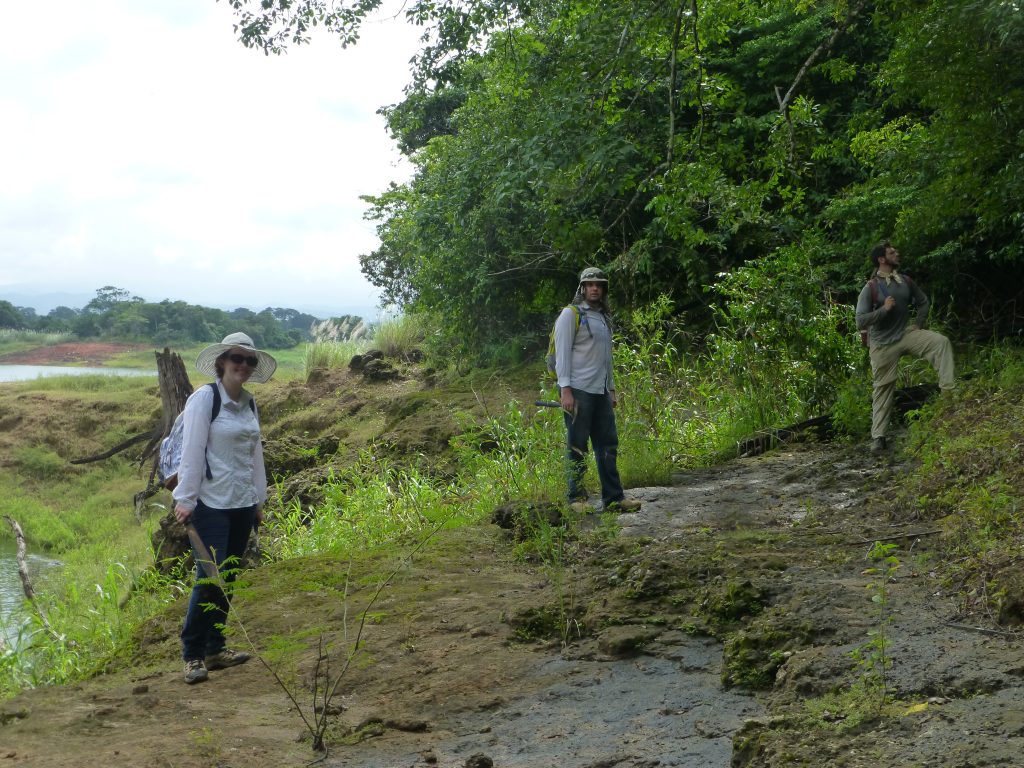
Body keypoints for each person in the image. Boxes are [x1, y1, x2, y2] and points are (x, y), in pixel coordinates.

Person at [173, 331, 276, 684]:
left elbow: (255, 455)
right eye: (237, 358)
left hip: (242, 503)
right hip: (211, 503)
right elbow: (192, 451)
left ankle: (216, 648)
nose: (243, 366)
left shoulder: (249, 403)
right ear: (222, 362)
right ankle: (192, 654)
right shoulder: (204, 399)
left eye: (250, 360)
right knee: (208, 579)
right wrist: (185, 500)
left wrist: (259, 500)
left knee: (228, 575)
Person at [553, 267, 641, 513]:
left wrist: (611, 389)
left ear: (603, 290)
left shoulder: (603, 318)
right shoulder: (570, 315)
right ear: (582, 288)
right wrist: (565, 390)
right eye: (589, 284)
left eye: (599, 285)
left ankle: (614, 498)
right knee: (577, 446)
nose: (594, 288)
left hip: (600, 391)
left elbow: (606, 358)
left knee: (607, 444)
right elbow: (562, 355)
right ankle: (575, 499)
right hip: (578, 390)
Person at [855, 242, 955, 452]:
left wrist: (918, 323)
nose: (897, 253)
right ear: (882, 260)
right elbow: (860, 321)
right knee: (883, 388)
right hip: (882, 345)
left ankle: (949, 401)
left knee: (941, 343)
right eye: (892, 252)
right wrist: (884, 309)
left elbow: (923, 302)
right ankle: (879, 437)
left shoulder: (906, 281)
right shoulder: (870, 287)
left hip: (905, 335)